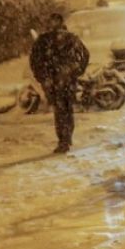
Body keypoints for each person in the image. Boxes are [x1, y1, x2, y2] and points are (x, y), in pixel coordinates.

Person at [30, 13, 91, 155]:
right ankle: (66, 138)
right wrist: (76, 71)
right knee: (65, 109)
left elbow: (34, 61)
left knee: (61, 110)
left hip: (56, 81)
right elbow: (85, 55)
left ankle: (64, 139)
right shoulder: (66, 38)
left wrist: (43, 77)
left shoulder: (45, 40)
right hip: (63, 81)